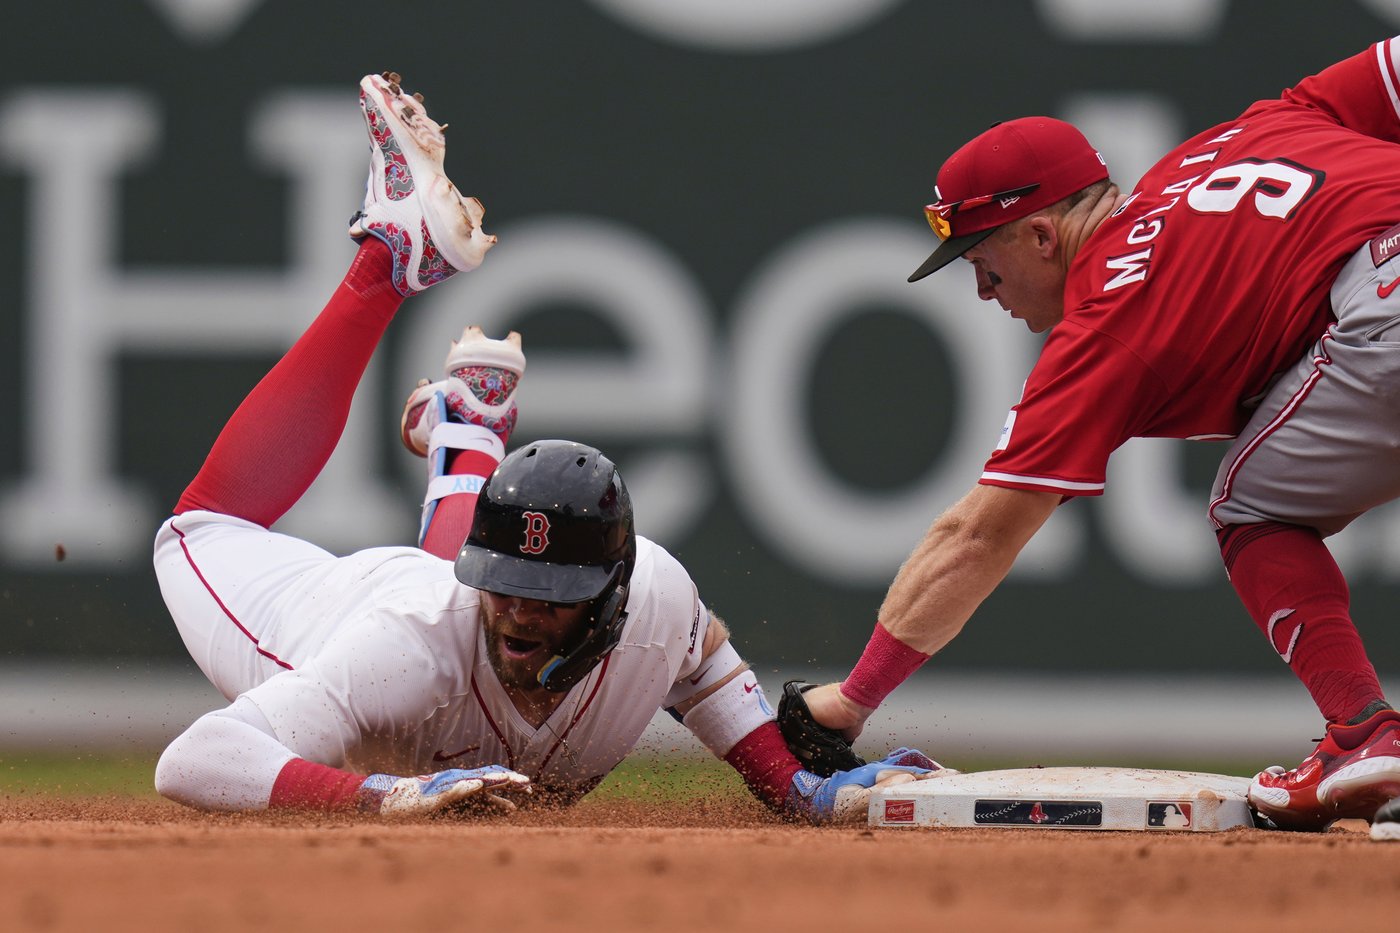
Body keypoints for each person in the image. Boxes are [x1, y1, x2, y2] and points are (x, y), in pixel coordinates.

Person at [151, 71, 937, 822]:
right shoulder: (402, 647)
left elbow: (719, 690)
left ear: (610, 598)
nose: (519, 608)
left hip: (428, 600)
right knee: (198, 528)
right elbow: (196, 758)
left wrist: (811, 790)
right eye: (507, 580)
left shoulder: (659, 604)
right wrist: (383, 795)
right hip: (335, 618)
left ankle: (467, 440)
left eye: (550, 591)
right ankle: (386, 262)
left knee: (445, 599)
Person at [792, 39, 1400, 833]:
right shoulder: (1247, 130)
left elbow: (976, 536)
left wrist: (851, 699)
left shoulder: (1104, 327)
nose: (980, 292)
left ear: (1043, 237)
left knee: (1255, 511)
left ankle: (1364, 734)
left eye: (982, 260)